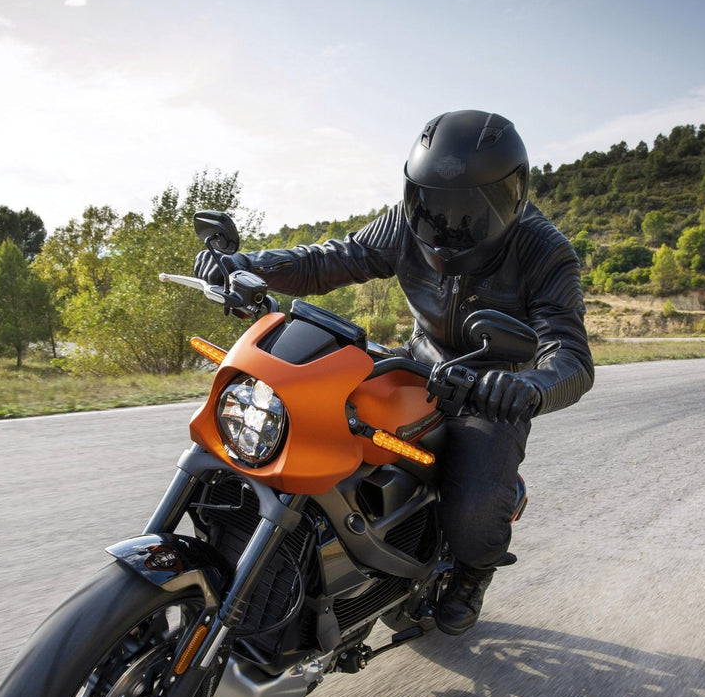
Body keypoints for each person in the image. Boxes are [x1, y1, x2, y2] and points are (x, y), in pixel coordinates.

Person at [195, 109, 594, 635]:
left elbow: (569, 355)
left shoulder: (545, 252)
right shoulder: (410, 223)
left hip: (491, 383)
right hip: (417, 360)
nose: (444, 225)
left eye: (466, 210)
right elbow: (332, 259)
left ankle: (473, 573)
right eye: (429, 204)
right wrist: (251, 265)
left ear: (509, 198)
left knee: (474, 511)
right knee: (315, 424)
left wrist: (526, 387)